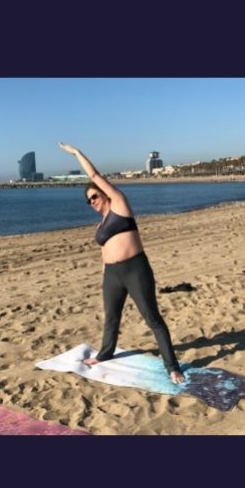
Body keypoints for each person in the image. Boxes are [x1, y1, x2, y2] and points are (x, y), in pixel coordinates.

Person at [59, 142, 185, 384]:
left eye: (94, 196)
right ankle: (105, 353)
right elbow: (105, 249)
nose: (92, 202)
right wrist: (105, 272)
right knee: (111, 317)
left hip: (135, 269)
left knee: (152, 318)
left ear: (105, 193)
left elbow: (94, 175)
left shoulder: (120, 204)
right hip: (112, 275)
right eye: (88, 201)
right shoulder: (101, 224)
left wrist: (76, 153)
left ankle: (172, 366)